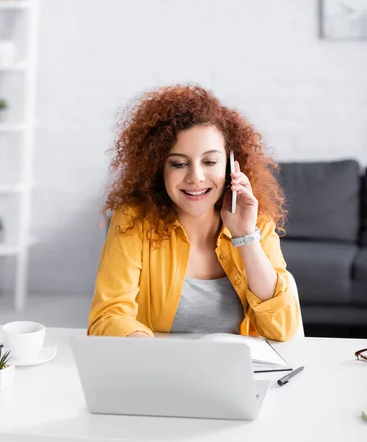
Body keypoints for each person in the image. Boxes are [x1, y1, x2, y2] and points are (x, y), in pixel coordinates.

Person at [88, 84, 299, 341]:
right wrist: (153, 355)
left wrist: (245, 236)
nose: (196, 178)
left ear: (231, 166)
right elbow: (107, 316)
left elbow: (282, 329)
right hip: (157, 370)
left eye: (210, 162)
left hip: (237, 375)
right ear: (159, 169)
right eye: (179, 163)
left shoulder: (257, 225)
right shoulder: (134, 221)